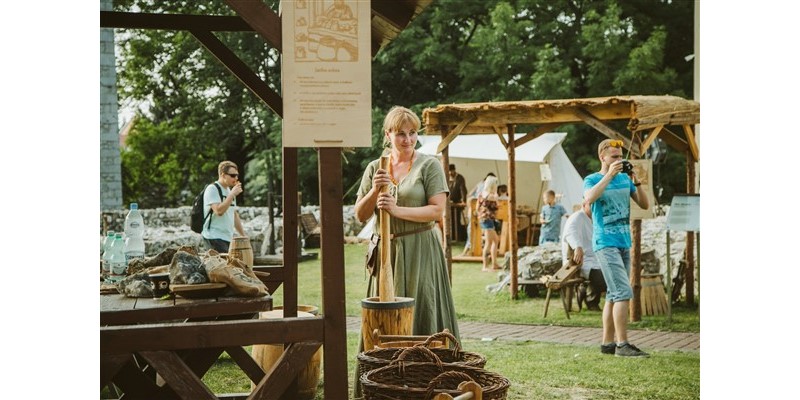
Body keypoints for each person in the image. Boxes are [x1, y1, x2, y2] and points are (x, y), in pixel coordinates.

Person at [354, 105, 460, 339]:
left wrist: (396, 209)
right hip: (385, 253)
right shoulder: (375, 167)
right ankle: (384, 370)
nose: (408, 139)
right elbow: (360, 215)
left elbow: (437, 211)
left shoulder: (429, 165)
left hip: (420, 248)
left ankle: (426, 368)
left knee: (423, 306)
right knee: (385, 312)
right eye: (401, 133)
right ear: (388, 135)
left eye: (412, 132)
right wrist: (374, 191)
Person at [584, 139, 650, 358]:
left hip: (624, 242)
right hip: (605, 243)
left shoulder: (624, 179)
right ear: (602, 157)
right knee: (623, 292)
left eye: (620, 157)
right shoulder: (593, 179)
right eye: (614, 157)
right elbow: (589, 198)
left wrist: (636, 181)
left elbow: (644, 204)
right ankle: (622, 344)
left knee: (613, 294)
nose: (618, 161)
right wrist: (609, 175)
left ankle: (607, 344)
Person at [561, 202, 606, 311]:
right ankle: (587, 295)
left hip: (594, 258)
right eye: (592, 206)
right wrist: (577, 246)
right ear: (585, 205)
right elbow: (570, 233)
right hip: (580, 262)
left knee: (609, 272)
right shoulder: (577, 217)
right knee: (603, 279)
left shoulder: (593, 219)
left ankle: (590, 299)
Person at [202, 161, 246, 253]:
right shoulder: (212, 189)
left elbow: (233, 214)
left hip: (227, 238)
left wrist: (243, 235)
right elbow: (218, 211)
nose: (236, 178)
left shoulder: (229, 191)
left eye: (237, 175)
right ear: (223, 175)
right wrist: (232, 194)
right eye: (233, 175)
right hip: (213, 237)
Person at [460, 172, 496, 256]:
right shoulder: (487, 187)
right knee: (474, 231)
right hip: (483, 213)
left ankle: (469, 248)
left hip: (476, 210)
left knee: (471, 230)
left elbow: (469, 195)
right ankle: (470, 248)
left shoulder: (479, 184)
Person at [477, 175, 502, 272]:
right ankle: (485, 266)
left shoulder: (483, 194)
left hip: (487, 220)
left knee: (495, 240)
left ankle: (494, 263)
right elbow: (496, 199)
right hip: (487, 220)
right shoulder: (488, 195)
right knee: (489, 243)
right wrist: (495, 194)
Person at [447, 164, 468, 240]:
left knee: (456, 220)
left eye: (451, 171)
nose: (450, 173)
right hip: (448, 203)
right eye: (449, 171)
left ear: (454, 170)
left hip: (457, 202)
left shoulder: (459, 178)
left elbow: (463, 190)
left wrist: (463, 201)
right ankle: (451, 237)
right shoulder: (446, 177)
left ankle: (457, 237)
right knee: (449, 221)